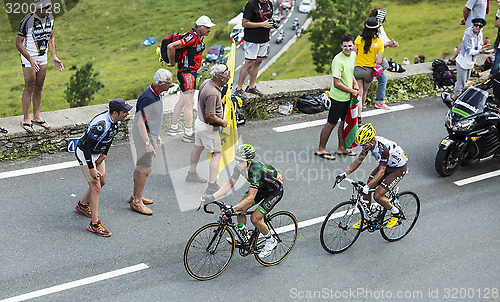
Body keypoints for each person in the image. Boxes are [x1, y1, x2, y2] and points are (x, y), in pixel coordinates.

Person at [201, 144, 284, 258]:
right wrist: (212, 197)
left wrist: (232, 209)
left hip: (273, 192)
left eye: (241, 161)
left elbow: (250, 197)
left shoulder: (256, 170)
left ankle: (270, 241)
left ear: (249, 161)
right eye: (236, 160)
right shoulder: (239, 167)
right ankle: (245, 237)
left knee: (255, 218)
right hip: (260, 188)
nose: (238, 163)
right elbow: (229, 184)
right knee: (240, 209)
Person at [74, 98, 132, 237]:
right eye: (125, 112)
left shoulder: (116, 121)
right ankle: (94, 224)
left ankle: (82, 205)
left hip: (97, 153)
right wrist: (91, 167)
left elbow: (110, 138)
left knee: (102, 182)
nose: (127, 114)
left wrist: (104, 154)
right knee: (96, 187)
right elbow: (86, 146)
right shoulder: (101, 124)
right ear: (115, 112)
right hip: (85, 154)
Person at [335, 123, 408, 229]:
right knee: (368, 186)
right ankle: (367, 218)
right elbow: (359, 160)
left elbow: (382, 171)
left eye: (364, 145)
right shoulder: (368, 145)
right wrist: (345, 174)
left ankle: (396, 213)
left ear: (372, 140)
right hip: (387, 165)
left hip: (398, 169)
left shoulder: (384, 148)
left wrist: (367, 187)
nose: (363, 147)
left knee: (377, 195)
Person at [16, 0, 64, 133]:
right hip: (29, 56)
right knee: (29, 86)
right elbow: (18, 42)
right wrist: (30, 59)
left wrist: (54, 56)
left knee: (39, 86)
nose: (50, 10)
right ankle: (26, 118)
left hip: (42, 56)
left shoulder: (51, 18)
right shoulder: (28, 20)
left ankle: (36, 116)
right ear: (39, 8)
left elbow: (51, 37)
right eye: (47, 8)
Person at [130, 69, 173, 215]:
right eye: (169, 83)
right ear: (160, 83)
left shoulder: (157, 93)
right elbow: (141, 123)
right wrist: (148, 143)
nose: (171, 85)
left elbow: (152, 118)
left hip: (149, 135)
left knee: (140, 167)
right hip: (143, 136)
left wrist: (157, 135)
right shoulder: (148, 98)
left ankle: (136, 195)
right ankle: (137, 202)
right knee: (145, 168)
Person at [166, 15, 214, 143]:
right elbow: (171, 46)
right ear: (200, 27)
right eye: (207, 27)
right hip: (187, 73)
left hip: (189, 73)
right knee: (190, 103)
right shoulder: (191, 37)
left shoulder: (199, 37)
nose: (210, 30)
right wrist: (172, 63)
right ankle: (188, 133)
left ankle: (174, 127)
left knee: (182, 101)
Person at [185, 64, 230, 194]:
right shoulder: (213, 93)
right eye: (227, 75)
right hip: (208, 127)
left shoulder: (206, 83)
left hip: (199, 122)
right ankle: (212, 185)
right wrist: (222, 121)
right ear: (221, 78)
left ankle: (191, 174)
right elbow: (210, 115)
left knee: (198, 148)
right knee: (216, 153)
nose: (229, 77)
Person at [315, 34, 359, 161]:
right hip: (338, 97)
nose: (348, 48)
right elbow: (337, 83)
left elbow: (350, 73)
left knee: (344, 122)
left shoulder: (353, 56)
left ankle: (341, 147)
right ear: (341, 46)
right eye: (345, 46)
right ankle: (321, 149)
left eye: (350, 46)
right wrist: (352, 90)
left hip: (348, 96)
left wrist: (355, 84)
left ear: (353, 46)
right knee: (331, 123)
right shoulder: (337, 60)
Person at [234, 0, 274, 98]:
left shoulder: (269, 3)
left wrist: (271, 24)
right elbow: (244, 23)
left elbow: (268, 18)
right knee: (249, 63)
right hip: (252, 39)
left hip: (264, 38)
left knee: (258, 62)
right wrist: (262, 24)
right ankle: (239, 89)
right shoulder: (251, 4)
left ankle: (251, 87)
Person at [453, 16, 492, 99]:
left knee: (466, 79)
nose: (478, 27)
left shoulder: (480, 33)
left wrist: (483, 49)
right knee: (461, 81)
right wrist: (480, 51)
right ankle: (455, 96)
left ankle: (458, 95)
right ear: (473, 24)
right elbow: (469, 51)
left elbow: (478, 47)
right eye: (476, 25)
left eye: (480, 26)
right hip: (463, 61)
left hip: (470, 62)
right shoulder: (468, 35)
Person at [353, 17, 384, 122]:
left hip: (358, 69)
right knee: (364, 93)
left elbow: (354, 52)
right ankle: (361, 110)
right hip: (369, 71)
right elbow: (379, 61)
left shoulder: (358, 39)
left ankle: (358, 115)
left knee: (359, 93)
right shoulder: (379, 42)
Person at [370, 8, 399, 110]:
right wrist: (387, 44)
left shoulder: (380, 27)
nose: (381, 21)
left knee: (371, 80)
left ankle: (367, 101)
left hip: (377, 58)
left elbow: (384, 41)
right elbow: (377, 45)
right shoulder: (372, 29)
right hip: (372, 59)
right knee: (382, 79)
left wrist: (392, 44)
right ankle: (379, 101)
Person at [448, 0, 487, 65]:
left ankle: (454, 58)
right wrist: (466, 19)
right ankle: (455, 59)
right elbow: (466, 9)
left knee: (471, 42)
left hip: (479, 24)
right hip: (474, 24)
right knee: (469, 43)